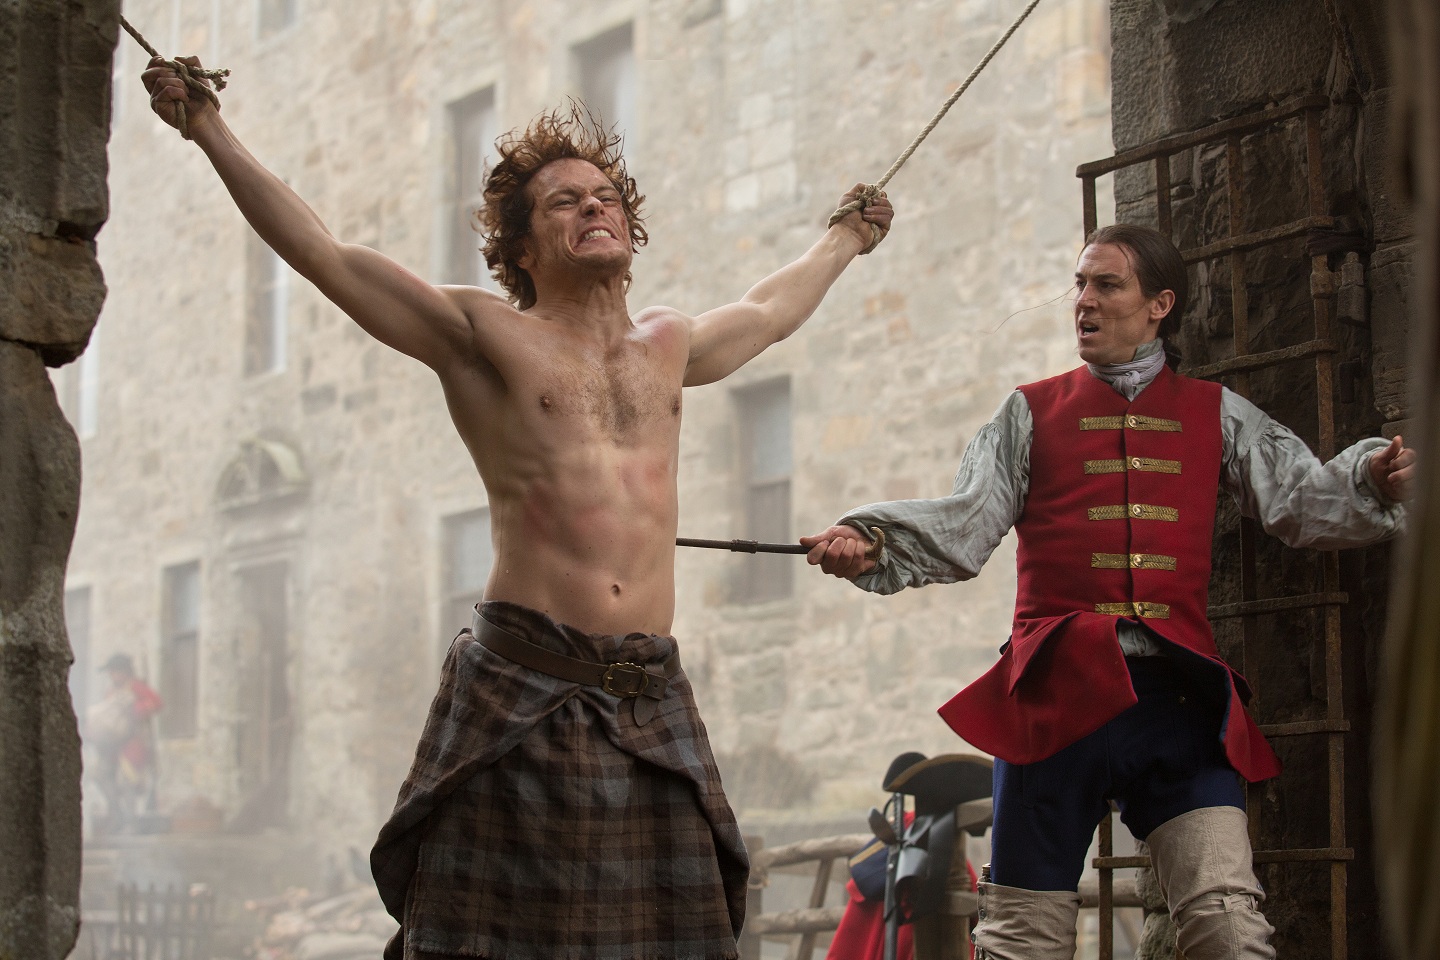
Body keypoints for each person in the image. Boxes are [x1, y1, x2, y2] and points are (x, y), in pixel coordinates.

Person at [142, 58, 893, 960]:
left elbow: (770, 309)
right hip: (523, 690)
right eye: (565, 203)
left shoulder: (669, 342)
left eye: (606, 197)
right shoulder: (483, 335)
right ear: (524, 250)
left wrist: (846, 236)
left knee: (678, 941)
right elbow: (326, 256)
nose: (593, 208)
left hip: (647, 697)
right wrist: (208, 128)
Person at [801, 223, 1413, 960]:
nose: (1083, 301)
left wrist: (1371, 480)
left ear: (1160, 305)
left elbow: (1299, 498)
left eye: (1106, 285)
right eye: (1080, 284)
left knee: (1228, 927)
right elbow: (965, 524)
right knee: (1023, 940)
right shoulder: (1027, 412)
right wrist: (871, 540)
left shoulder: (1218, 412)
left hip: (1176, 705)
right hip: (1052, 699)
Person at [86, 653, 163, 833]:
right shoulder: (111, 692)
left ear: (124, 671)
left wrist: (135, 710)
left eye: (115, 671)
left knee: (127, 783)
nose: (112, 676)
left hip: (132, 743)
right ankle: (117, 815)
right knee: (101, 776)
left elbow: (156, 702)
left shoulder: (136, 687)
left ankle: (131, 822)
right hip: (111, 746)